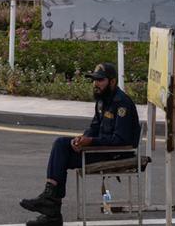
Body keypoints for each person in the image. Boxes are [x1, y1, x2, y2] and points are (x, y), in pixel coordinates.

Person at [20, 63, 140, 226]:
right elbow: (94, 127)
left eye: (100, 80)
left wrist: (91, 142)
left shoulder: (122, 104)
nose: (96, 84)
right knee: (62, 146)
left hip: (115, 153)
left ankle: (52, 211)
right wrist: (82, 139)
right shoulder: (102, 101)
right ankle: (50, 206)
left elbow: (121, 140)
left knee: (61, 152)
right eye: (94, 80)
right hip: (99, 150)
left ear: (112, 82)